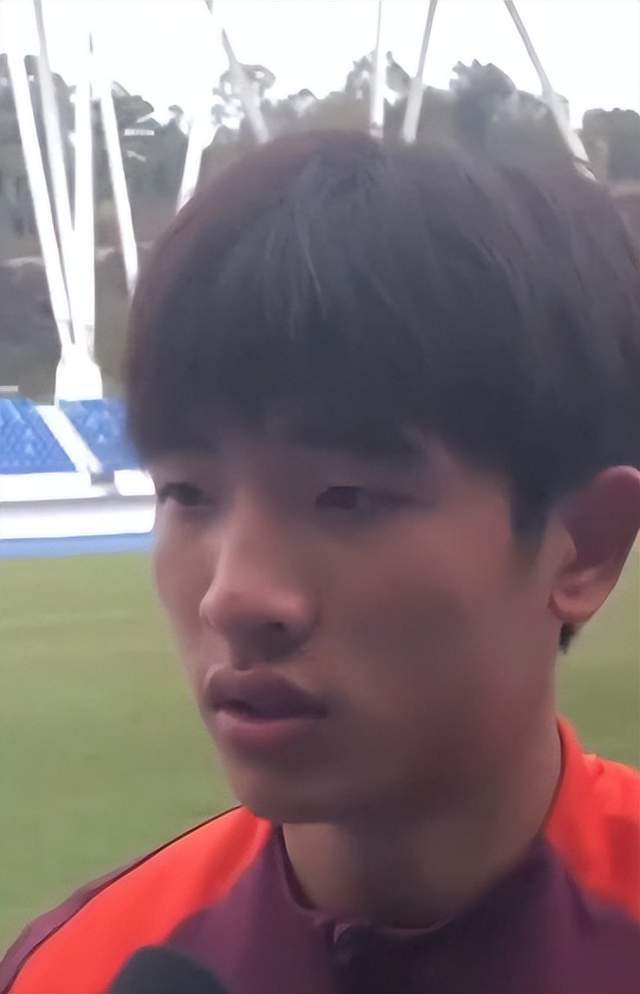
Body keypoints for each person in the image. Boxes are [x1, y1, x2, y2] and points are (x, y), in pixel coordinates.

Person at [2, 131, 639, 994]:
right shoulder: (73, 970)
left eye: (346, 498)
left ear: (587, 546)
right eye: (186, 493)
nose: (233, 597)